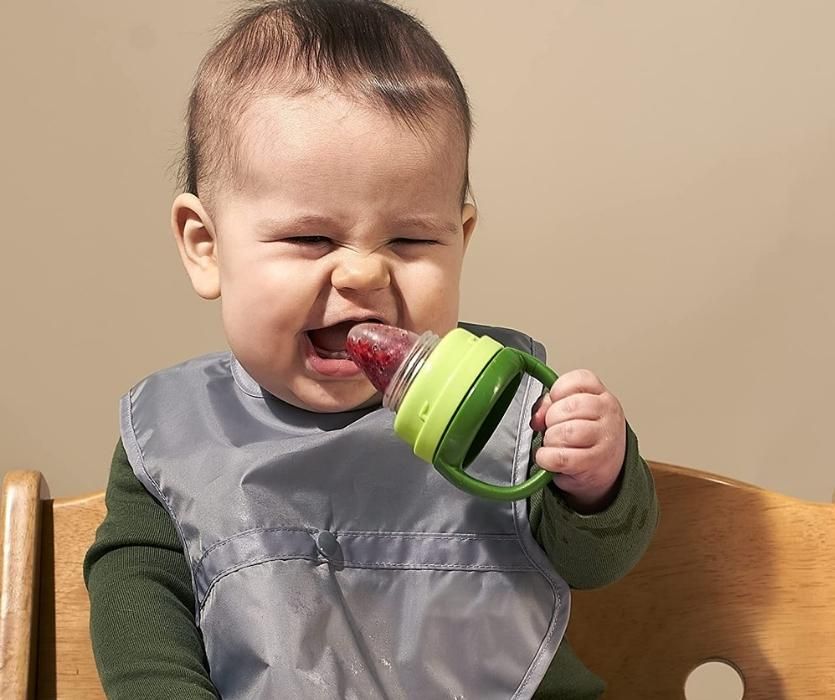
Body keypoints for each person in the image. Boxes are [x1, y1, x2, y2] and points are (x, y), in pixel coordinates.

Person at [84, 1, 658, 698]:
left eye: (410, 240)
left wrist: (595, 481)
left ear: (461, 239)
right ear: (206, 247)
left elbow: (594, 564)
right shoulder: (175, 436)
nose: (362, 273)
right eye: (311, 239)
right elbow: (141, 623)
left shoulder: (501, 401)